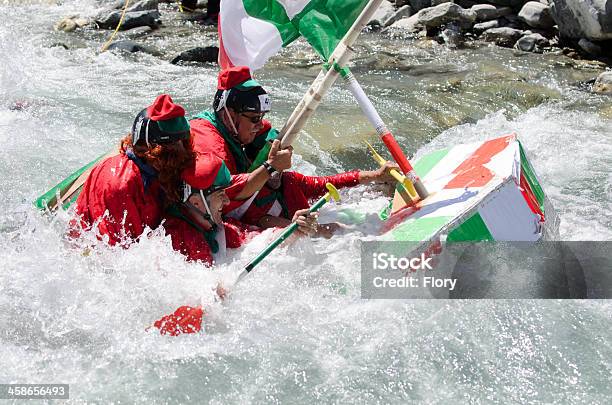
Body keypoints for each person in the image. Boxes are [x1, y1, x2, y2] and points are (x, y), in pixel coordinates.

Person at [189, 66, 399, 234]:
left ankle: (381, 186)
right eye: (254, 119)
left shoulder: (281, 176)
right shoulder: (211, 146)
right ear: (229, 114)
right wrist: (271, 168)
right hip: (233, 222)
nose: (259, 125)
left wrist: (374, 176)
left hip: (280, 217)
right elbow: (226, 198)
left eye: (261, 118)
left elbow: (315, 183)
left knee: (295, 184)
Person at [72, 94, 195, 246]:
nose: (183, 155)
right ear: (150, 150)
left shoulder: (158, 169)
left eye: (184, 143)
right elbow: (117, 253)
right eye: (174, 149)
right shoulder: (120, 184)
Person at [163, 153, 319, 265]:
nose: (227, 200)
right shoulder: (174, 240)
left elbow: (259, 240)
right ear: (196, 202)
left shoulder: (223, 228)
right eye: (221, 194)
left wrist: (294, 229)